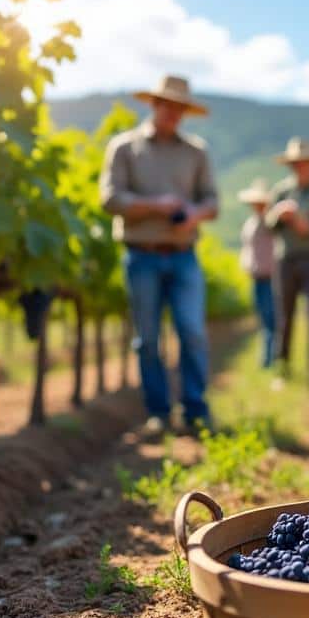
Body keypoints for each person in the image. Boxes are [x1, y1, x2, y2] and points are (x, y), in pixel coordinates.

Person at [99, 74, 219, 435]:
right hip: (141, 257)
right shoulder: (124, 147)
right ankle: (159, 413)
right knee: (147, 339)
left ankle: (196, 411)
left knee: (193, 332)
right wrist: (156, 205)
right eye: (167, 105)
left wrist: (194, 214)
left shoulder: (196, 151)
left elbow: (212, 201)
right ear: (154, 104)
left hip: (184, 255)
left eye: (180, 107)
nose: (173, 112)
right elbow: (109, 199)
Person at [266, 137, 309, 402]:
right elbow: (269, 226)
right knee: (285, 319)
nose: (301, 167)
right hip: (286, 260)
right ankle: (281, 372)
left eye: (305, 163)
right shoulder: (281, 192)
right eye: (296, 163)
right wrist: (278, 215)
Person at [237, 177, 277, 368]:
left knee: (270, 319)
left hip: (269, 277)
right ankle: (267, 358)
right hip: (257, 277)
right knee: (263, 318)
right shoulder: (250, 223)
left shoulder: (271, 222)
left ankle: (269, 360)